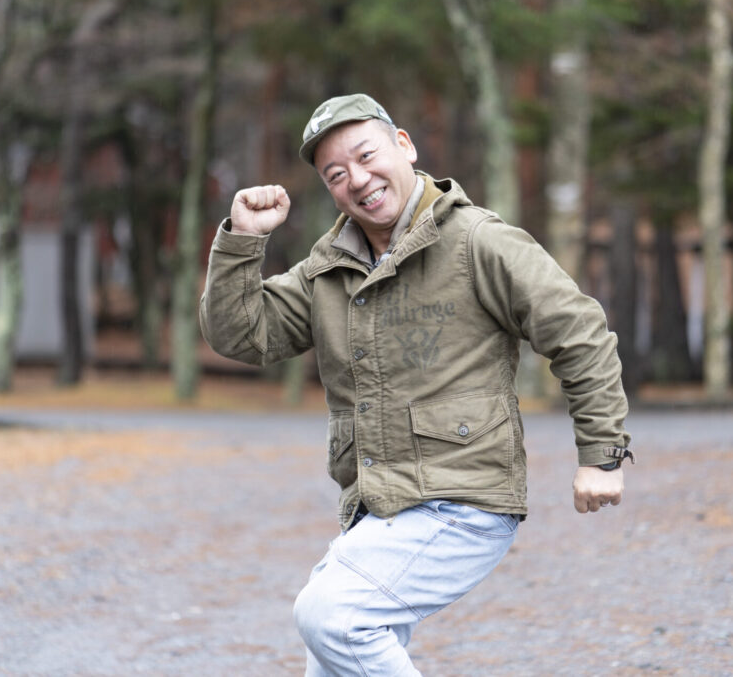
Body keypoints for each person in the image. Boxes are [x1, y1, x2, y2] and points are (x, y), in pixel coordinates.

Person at [199, 93, 633, 676]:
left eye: (366, 155)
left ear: (403, 145)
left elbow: (579, 333)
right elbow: (241, 334)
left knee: (332, 617)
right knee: (333, 656)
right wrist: (243, 240)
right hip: (377, 506)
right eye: (336, 174)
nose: (357, 179)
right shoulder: (327, 270)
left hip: (462, 499)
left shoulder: (479, 242)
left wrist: (602, 457)